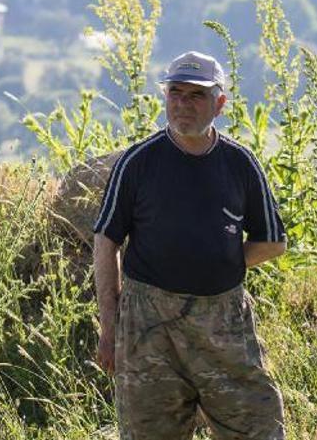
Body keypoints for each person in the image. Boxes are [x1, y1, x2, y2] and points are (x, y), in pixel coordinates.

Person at [93, 52, 287, 439]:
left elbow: (272, 242)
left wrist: (220, 267)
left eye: (196, 95)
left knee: (258, 426)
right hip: (149, 327)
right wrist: (109, 327)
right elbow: (106, 240)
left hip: (224, 323)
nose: (182, 105)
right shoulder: (138, 162)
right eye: (175, 94)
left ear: (219, 102)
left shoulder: (239, 163)